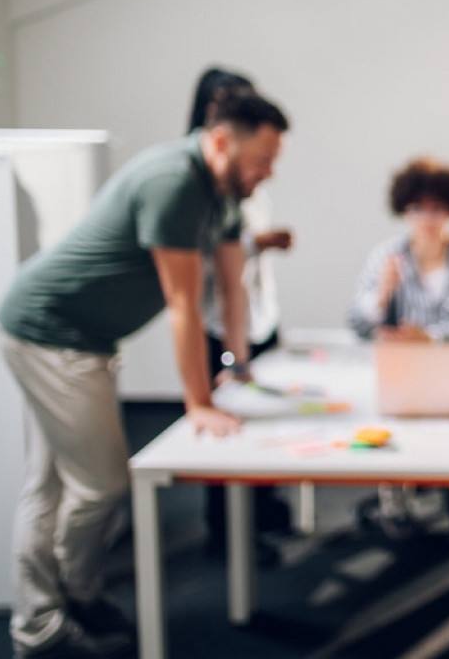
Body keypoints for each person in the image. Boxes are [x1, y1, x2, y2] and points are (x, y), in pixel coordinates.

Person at [0, 88, 289, 659]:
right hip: (51, 332)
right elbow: (182, 305)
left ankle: (41, 617)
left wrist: (238, 365)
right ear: (223, 141)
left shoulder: (224, 192)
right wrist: (198, 403)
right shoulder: (174, 181)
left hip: (82, 338)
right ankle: (66, 606)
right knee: (101, 484)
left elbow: (229, 286)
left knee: (53, 482)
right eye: (262, 160)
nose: (268, 172)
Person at [187, 67, 296, 559]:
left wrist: (242, 352)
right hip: (220, 322)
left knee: (261, 421)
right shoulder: (195, 187)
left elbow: (237, 282)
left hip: (252, 319)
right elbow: (207, 281)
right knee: (225, 427)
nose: (268, 169)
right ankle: (227, 535)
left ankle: (260, 514)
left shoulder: (239, 188)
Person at [347, 157, 449, 342]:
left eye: (436, 209)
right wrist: (380, 296)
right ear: (404, 210)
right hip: (400, 365)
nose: (426, 220)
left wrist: (429, 337)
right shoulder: (386, 257)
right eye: (417, 209)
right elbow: (357, 324)